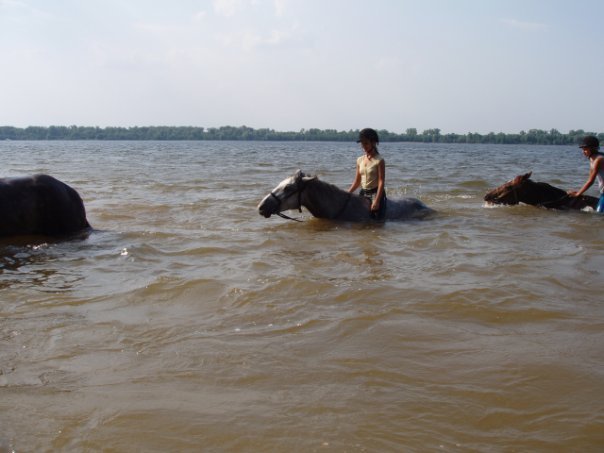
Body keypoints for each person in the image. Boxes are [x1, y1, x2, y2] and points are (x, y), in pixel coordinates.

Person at [348, 128, 386, 219]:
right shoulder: (359, 160)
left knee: (376, 220)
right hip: (363, 192)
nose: (363, 146)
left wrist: (376, 201)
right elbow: (357, 181)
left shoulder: (379, 160)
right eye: (362, 143)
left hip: (375, 193)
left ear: (373, 143)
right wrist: (347, 193)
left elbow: (381, 182)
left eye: (366, 143)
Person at [568, 135, 604, 213]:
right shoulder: (593, 158)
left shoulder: (599, 160)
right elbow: (590, 178)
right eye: (583, 149)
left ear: (593, 149)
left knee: (599, 214)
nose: (583, 152)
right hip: (602, 193)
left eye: (585, 149)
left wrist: (578, 194)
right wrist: (579, 192)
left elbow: (591, 181)